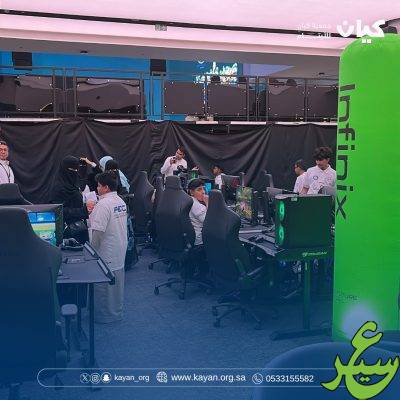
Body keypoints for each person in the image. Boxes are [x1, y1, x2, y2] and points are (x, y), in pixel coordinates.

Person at [88, 172, 128, 323]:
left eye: (99, 186)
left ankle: (105, 316)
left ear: (105, 188)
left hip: (106, 250)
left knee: (104, 285)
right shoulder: (120, 201)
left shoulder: (103, 205)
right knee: (116, 283)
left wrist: (91, 253)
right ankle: (116, 311)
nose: (97, 188)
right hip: (119, 247)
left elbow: (98, 232)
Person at [51, 156, 90, 243]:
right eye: (72, 170)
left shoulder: (74, 183)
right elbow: (59, 210)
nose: (75, 172)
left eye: (76, 169)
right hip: (68, 232)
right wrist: (83, 211)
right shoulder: (58, 188)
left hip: (80, 228)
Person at [187, 178, 210, 281]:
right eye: (199, 189)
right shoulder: (197, 206)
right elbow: (210, 222)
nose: (203, 192)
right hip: (200, 241)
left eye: (204, 189)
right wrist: (207, 202)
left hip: (190, 239)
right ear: (191, 192)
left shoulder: (189, 200)